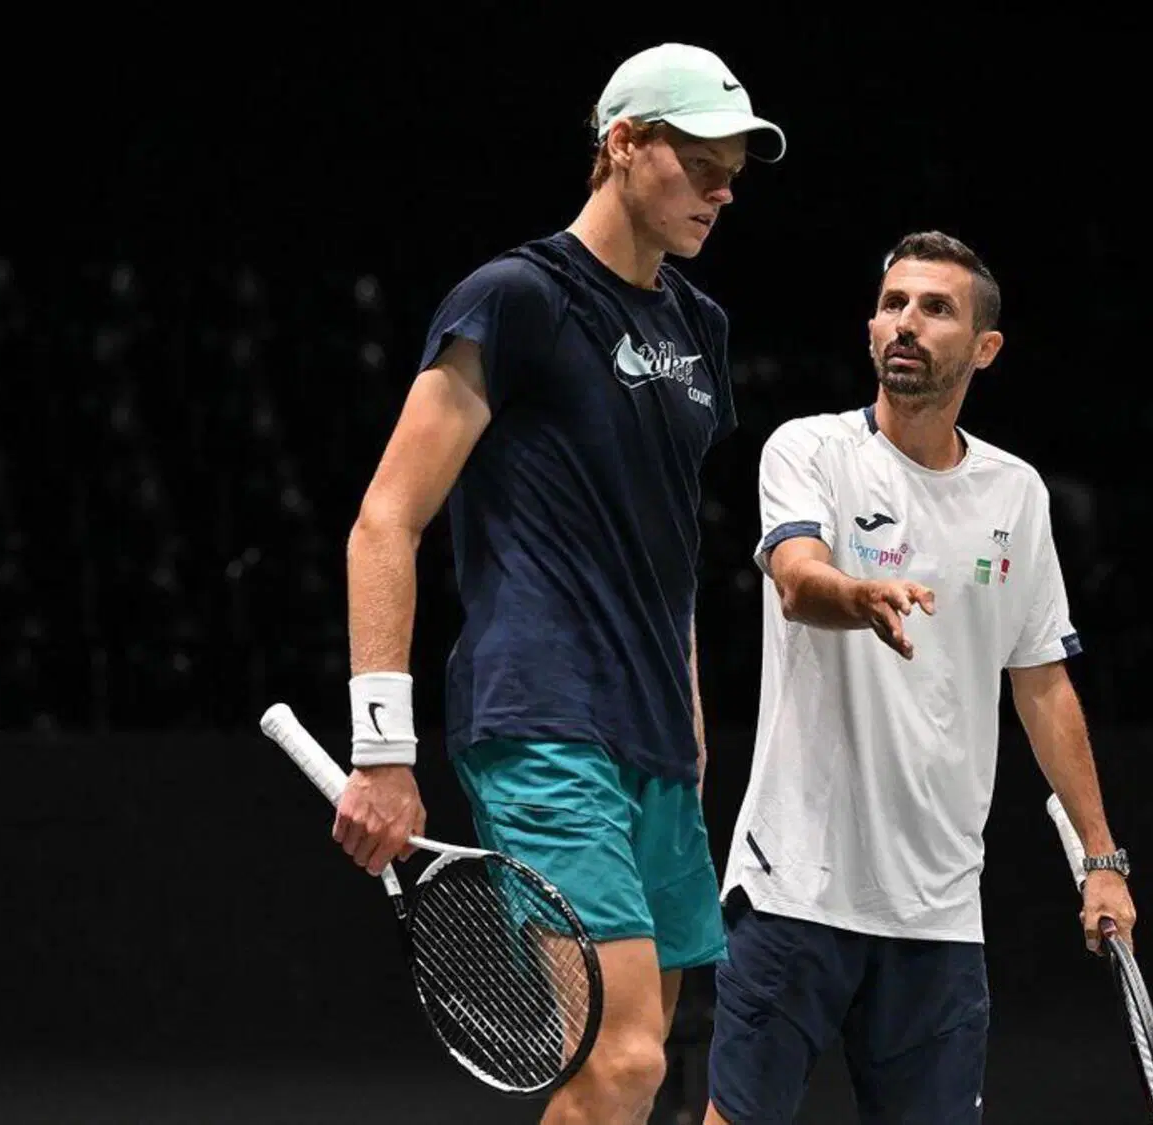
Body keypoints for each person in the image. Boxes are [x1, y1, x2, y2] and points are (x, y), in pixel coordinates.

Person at [330, 42, 785, 1125]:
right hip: (541, 716)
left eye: (736, 166)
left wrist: (689, 718)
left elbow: (664, 544)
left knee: (636, 1070)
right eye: (701, 159)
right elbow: (384, 520)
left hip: (656, 742)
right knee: (623, 1058)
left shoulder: (697, 329)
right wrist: (383, 748)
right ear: (622, 145)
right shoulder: (514, 299)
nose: (724, 189)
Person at [705, 231, 1138, 1125]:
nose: (905, 323)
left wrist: (1101, 861)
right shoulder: (811, 451)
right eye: (893, 302)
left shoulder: (1016, 494)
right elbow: (795, 579)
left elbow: (1043, 684)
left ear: (984, 349)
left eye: (935, 308)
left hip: (938, 911)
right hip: (797, 885)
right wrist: (857, 593)